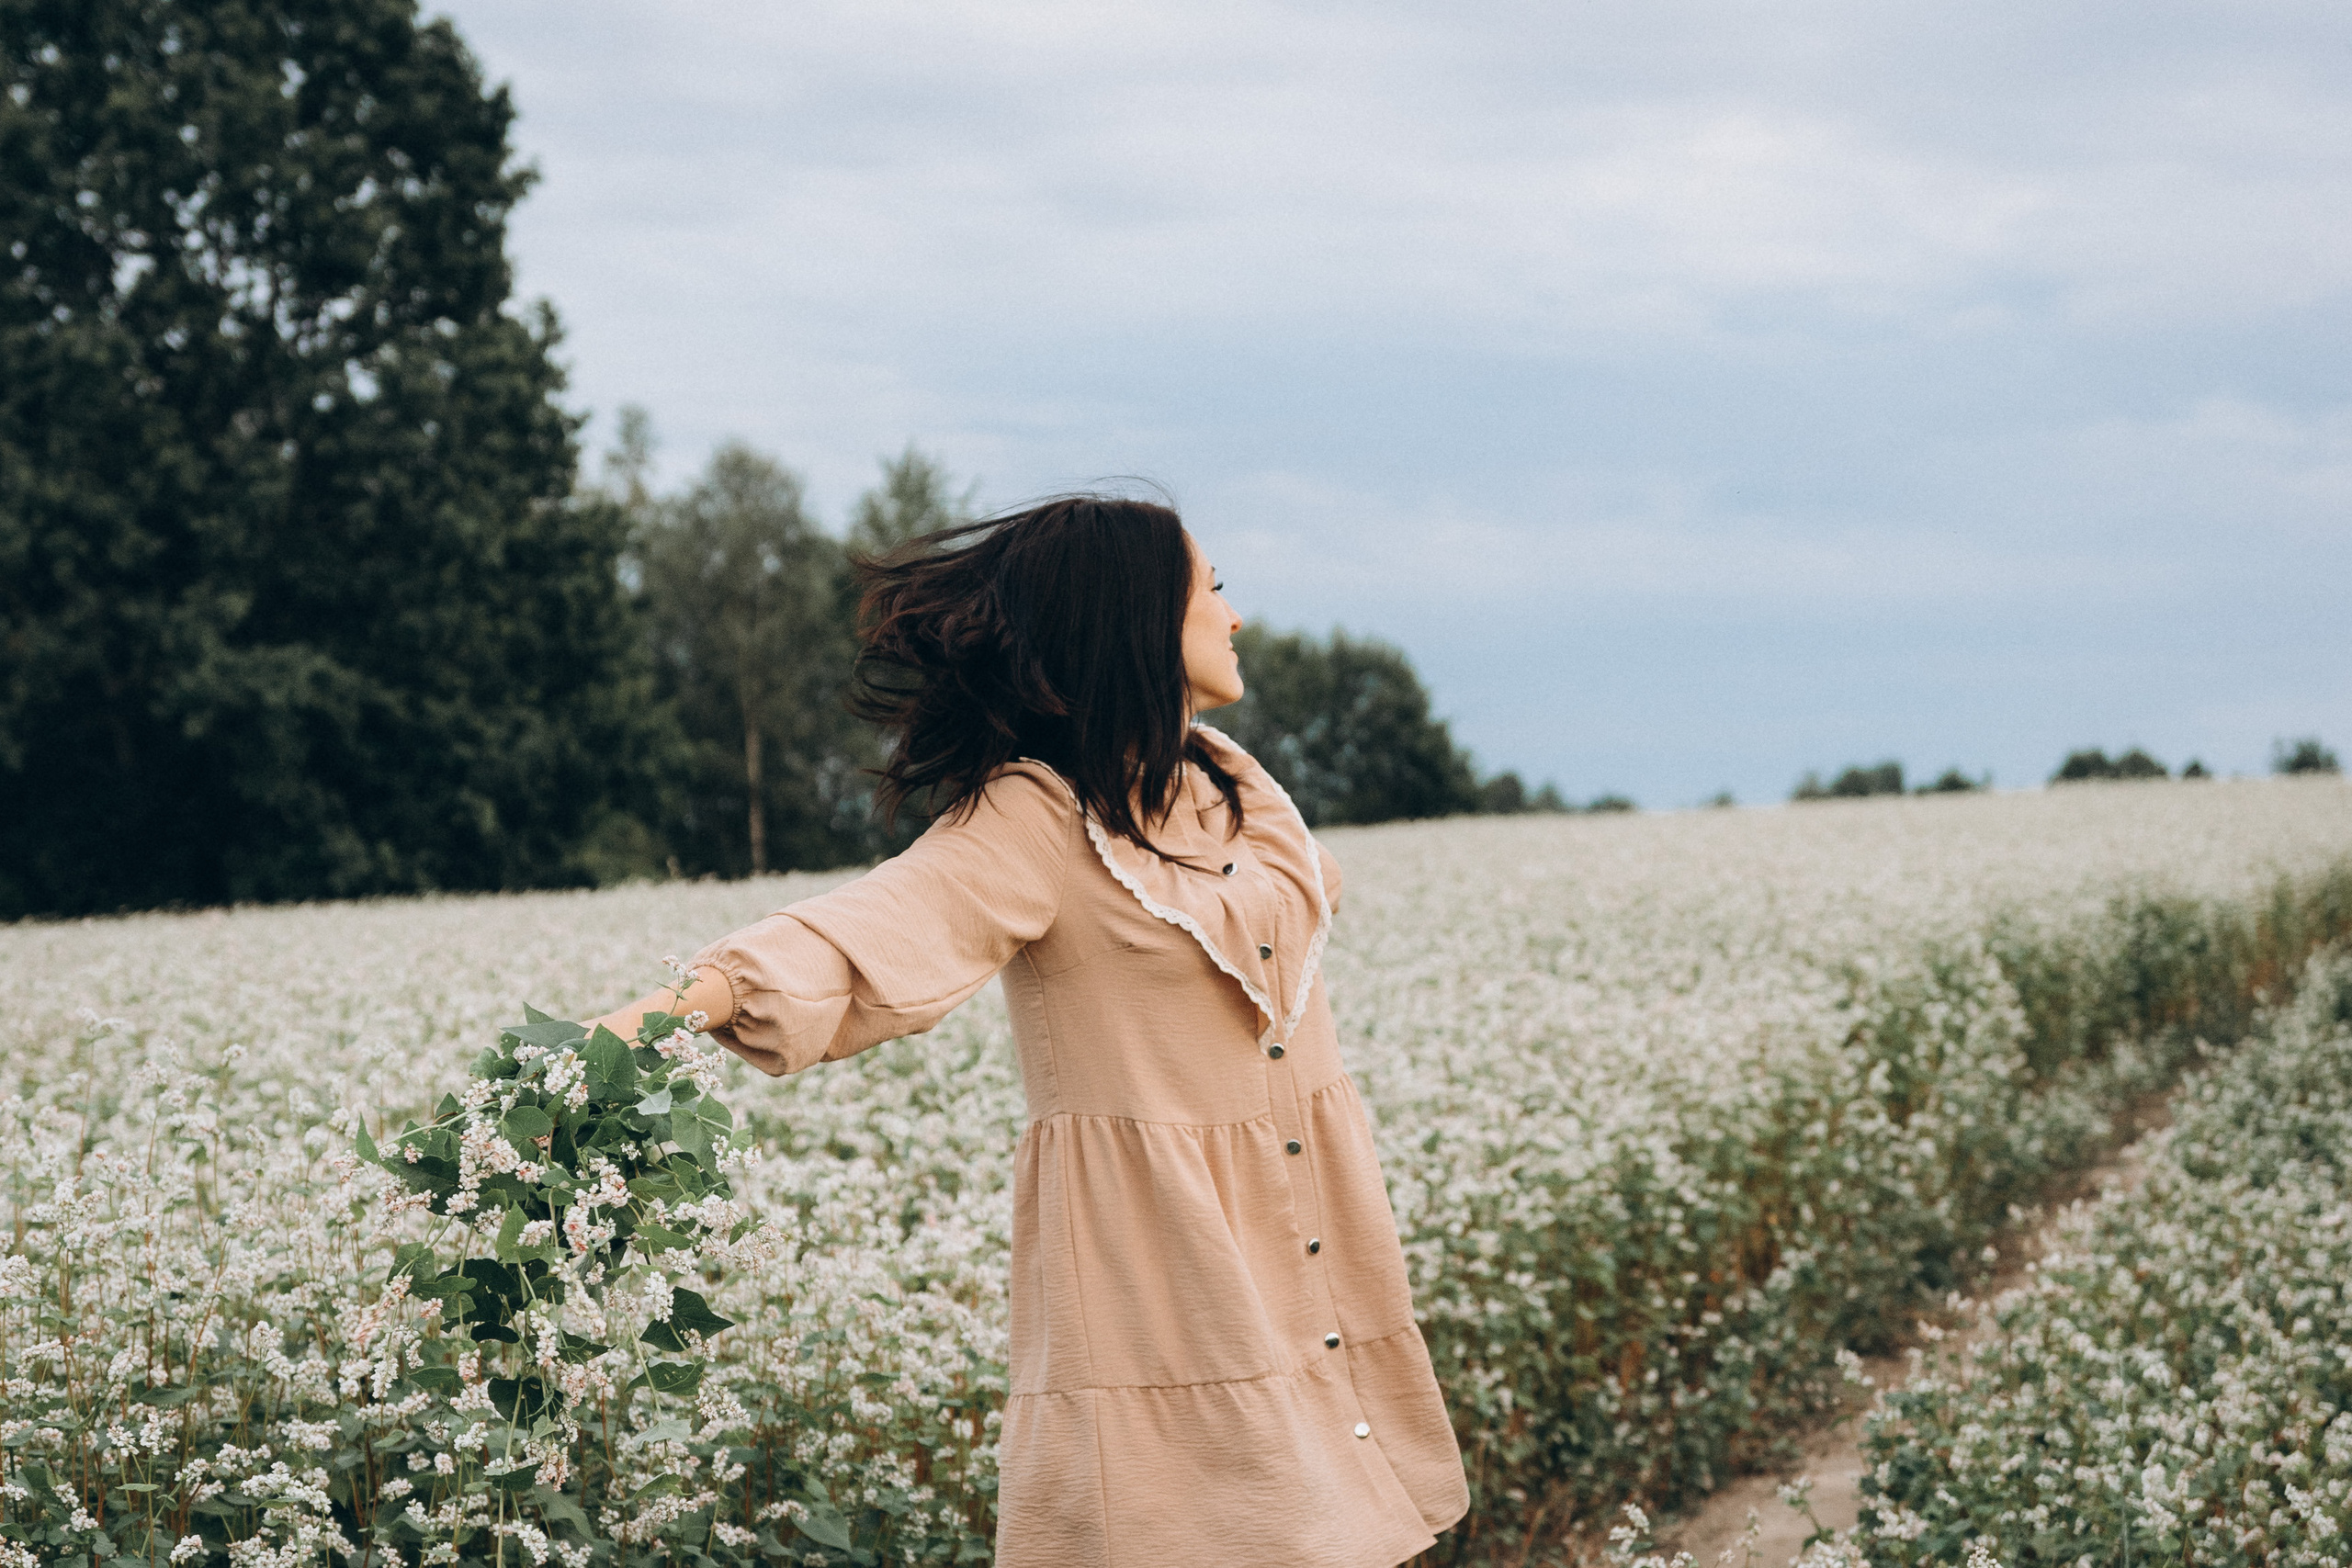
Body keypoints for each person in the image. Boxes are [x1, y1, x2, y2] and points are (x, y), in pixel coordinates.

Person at [592, 494, 1468, 1567]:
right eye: (1212, 591)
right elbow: (874, 928)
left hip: (1305, 1232)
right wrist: (620, 1037)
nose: (1236, 617)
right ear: (1135, 619)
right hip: (1166, 1268)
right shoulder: (1038, 815)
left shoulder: (1232, 789)